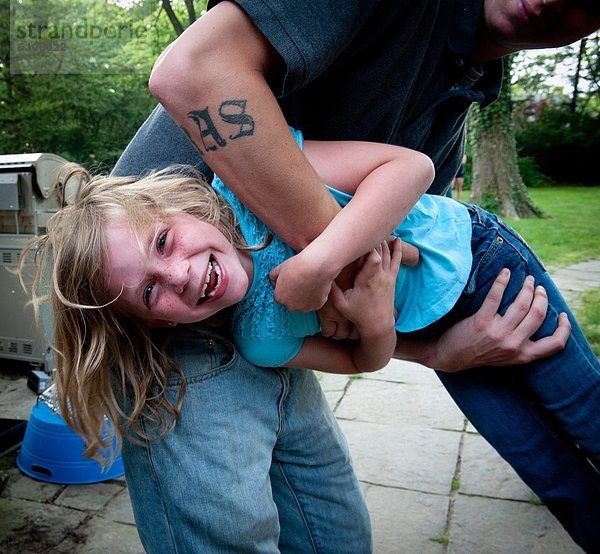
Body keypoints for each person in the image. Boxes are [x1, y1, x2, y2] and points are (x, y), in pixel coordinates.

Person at [107, 0, 600, 551]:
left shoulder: (458, 93)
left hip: (303, 309)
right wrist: (333, 272)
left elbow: (396, 268)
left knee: (336, 533)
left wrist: (429, 347)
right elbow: (191, 71)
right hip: (173, 333)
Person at [27, 130, 598, 551]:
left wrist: (318, 265)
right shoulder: (261, 340)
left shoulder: (253, 183)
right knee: (544, 468)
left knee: (586, 415)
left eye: (163, 241)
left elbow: (410, 169)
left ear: (179, 206)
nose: (177, 273)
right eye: (151, 293)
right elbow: (360, 358)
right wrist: (376, 320)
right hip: (439, 332)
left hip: (484, 271)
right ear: (159, 326)